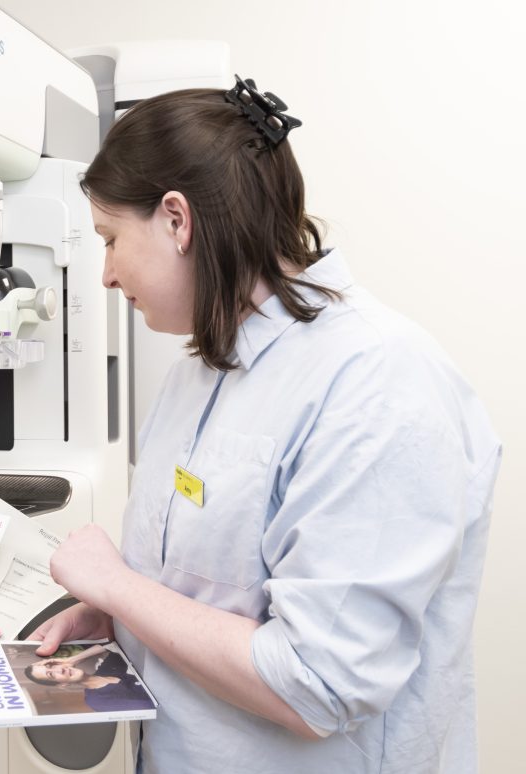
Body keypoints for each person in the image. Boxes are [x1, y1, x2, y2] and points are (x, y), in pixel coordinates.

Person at [28, 76, 501, 774]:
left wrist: (115, 587)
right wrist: (118, 622)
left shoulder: (375, 382)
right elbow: (200, 596)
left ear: (176, 219)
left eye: (109, 239)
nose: (105, 274)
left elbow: (320, 684)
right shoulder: (201, 368)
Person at [25, 643, 154, 713]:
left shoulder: (107, 668)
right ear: (61, 685)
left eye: (51, 665)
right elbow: (150, 709)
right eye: (51, 674)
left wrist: (72, 660)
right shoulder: (97, 701)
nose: (60, 669)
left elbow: (113, 643)